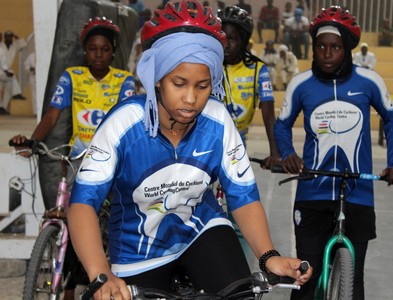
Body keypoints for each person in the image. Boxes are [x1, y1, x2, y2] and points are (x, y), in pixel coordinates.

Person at [66, 1, 312, 299]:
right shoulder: (123, 124)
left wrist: (268, 256)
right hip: (137, 250)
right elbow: (82, 204)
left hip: (202, 232)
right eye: (179, 83)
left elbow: (243, 196)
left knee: (241, 294)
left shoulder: (218, 120)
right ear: (157, 77)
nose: (191, 98)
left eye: (203, 86)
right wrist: (101, 274)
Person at [273, 6, 393, 300]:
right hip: (312, 193)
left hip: (358, 191)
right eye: (321, 46)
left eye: (335, 47)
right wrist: (288, 154)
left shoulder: (368, 81)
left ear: (346, 49)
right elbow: (281, 126)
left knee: (354, 278)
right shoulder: (301, 84)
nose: (327, 53)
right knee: (306, 276)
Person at [10, 17, 135, 299]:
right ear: (84, 50)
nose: (99, 54)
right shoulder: (71, 77)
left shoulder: (124, 80)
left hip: (112, 159)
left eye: (105, 49)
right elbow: (53, 114)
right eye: (93, 48)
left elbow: (126, 118)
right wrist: (33, 140)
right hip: (78, 157)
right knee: (71, 217)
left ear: (113, 50)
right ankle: (68, 284)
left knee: (114, 220)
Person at [219, 5, 280, 167]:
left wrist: (275, 153)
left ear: (244, 41)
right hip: (207, 138)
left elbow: (268, 112)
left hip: (237, 140)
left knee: (237, 189)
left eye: (232, 39)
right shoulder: (209, 66)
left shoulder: (258, 69)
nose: (225, 44)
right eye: (222, 38)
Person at [0, 31, 27, 115]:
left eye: (11, 37)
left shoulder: (14, 46)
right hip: (1, 70)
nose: (10, 38)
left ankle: (3, 108)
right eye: (8, 37)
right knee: (11, 79)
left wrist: (16, 36)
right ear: (5, 38)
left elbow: (24, 44)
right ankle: (17, 93)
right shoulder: (1, 46)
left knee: (8, 90)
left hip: (7, 70)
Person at [23, 51, 37, 116]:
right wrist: (30, 69)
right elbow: (26, 65)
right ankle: (35, 112)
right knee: (34, 94)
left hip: (42, 78)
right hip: (33, 77)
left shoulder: (45, 54)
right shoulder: (31, 55)